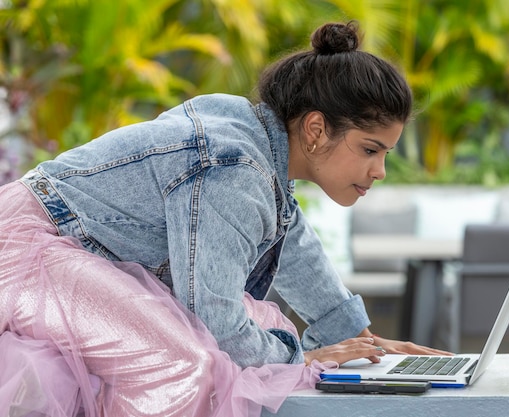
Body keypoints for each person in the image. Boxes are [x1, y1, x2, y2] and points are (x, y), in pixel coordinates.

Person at [0, 21, 447, 416]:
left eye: (385, 154)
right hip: (24, 245)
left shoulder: (258, 143)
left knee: (265, 336)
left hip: (62, 245)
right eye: (370, 150)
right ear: (315, 129)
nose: (379, 171)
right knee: (184, 366)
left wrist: (364, 342)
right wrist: (305, 358)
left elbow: (291, 244)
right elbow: (216, 322)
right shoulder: (234, 168)